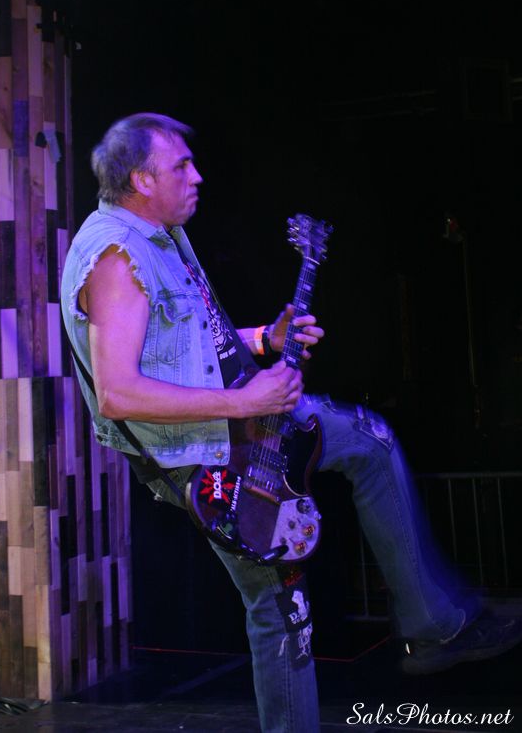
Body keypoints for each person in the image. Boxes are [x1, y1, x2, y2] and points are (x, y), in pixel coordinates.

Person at [60, 112, 522, 733]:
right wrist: (246, 403)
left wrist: (265, 338)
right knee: (283, 609)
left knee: (372, 442)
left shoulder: (161, 235)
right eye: (182, 166)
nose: (198, 176)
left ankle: (435, 625)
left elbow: (186, 344)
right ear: (142, 179)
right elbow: (118, 393)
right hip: (204, 456)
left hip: (242, 421)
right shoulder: (116, 257)